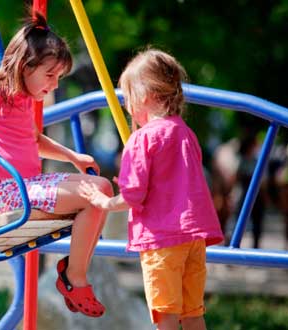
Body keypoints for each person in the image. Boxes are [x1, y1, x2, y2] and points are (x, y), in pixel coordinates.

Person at [0, 12, 112, 317]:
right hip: (10, 193)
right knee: (95, 192)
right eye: (50, 75)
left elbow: (33, 140)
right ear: (26, 66)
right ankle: (74, 278)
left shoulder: (24, 99)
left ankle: (73, 273)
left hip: (28, 187)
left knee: (101, 190)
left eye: (59, 77)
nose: (54, 84)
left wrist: (74, 157)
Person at [78, 48, 223, 329]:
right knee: (193, 313)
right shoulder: (185, 132)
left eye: (128, 98)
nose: (127, 107)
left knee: (165, 317)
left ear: (145, 95)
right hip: (192, 239)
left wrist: (103, 201)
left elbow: (133, 195)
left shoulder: (140, 139)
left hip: (162, 240)